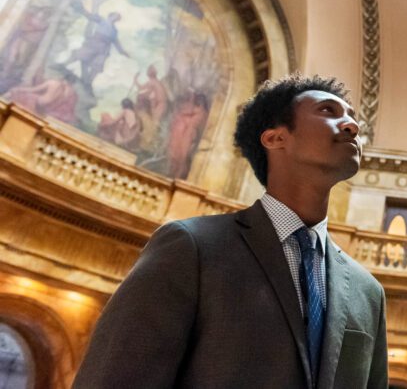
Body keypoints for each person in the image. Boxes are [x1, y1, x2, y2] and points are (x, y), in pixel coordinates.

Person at [72, 74, 389, 388]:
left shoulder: (368, 292)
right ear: (275, 138)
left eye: (351, 116)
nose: (352, 125)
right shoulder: (192, 247)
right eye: (327, 112)